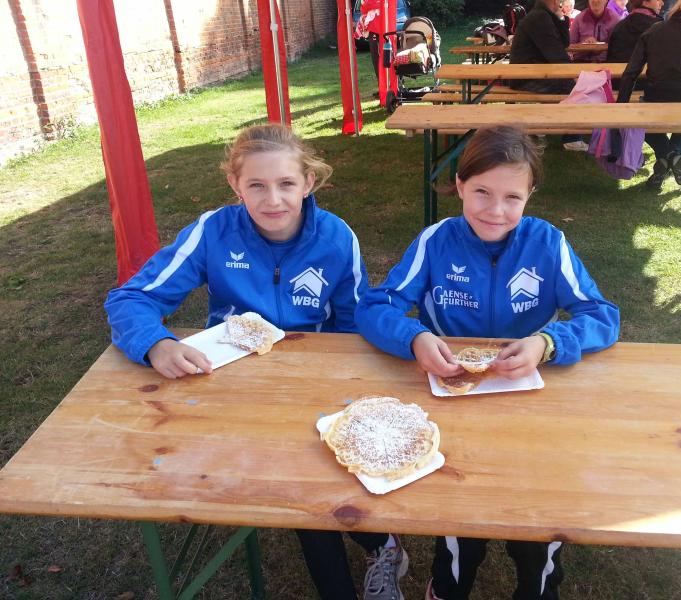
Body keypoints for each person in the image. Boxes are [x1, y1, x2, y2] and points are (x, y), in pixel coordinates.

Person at [104, 124, 406, 600]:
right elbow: (132, 297)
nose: (273, 200)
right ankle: (381, 543)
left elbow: (352, 321)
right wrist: (156, 343)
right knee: (294, 482)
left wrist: (336, 386)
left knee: (304, 480)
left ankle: (379, 546)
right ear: (235, 185)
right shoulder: (213, 231)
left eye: (286, 184)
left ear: (308, 182)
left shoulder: (335, 237)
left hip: (312, 385)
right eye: (257, 186)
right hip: (229, 384)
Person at [355, 125, 621, 600]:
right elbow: (375, 307)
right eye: (482, 192)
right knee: (460, 516)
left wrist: (547, 343)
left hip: (531, 406)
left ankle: (538, 586)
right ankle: (449, 585)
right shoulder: (436, 241)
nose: (495, 210)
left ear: (529, 196)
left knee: (537, 521)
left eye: (512, 197)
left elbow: (602, 315)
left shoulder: (547, 243)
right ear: (459, 185)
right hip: (453, 400)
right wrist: (415, 338)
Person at [617, 0, 681, 190]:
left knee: (642, 121)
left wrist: (621, 106)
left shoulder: (654, 30)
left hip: (654, 98)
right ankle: (673, 155)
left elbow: (631, 72)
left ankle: (665, 157)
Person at [510, 0, 588, 150]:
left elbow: (564, 43)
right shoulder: (539, 17)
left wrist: (561, 17)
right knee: (572, 87)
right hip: (524, 77)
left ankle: (542, 129)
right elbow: (556, 54)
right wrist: (574, 75)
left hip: (533, 73)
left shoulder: (545, 14)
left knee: (569, 85)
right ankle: (570, 138)